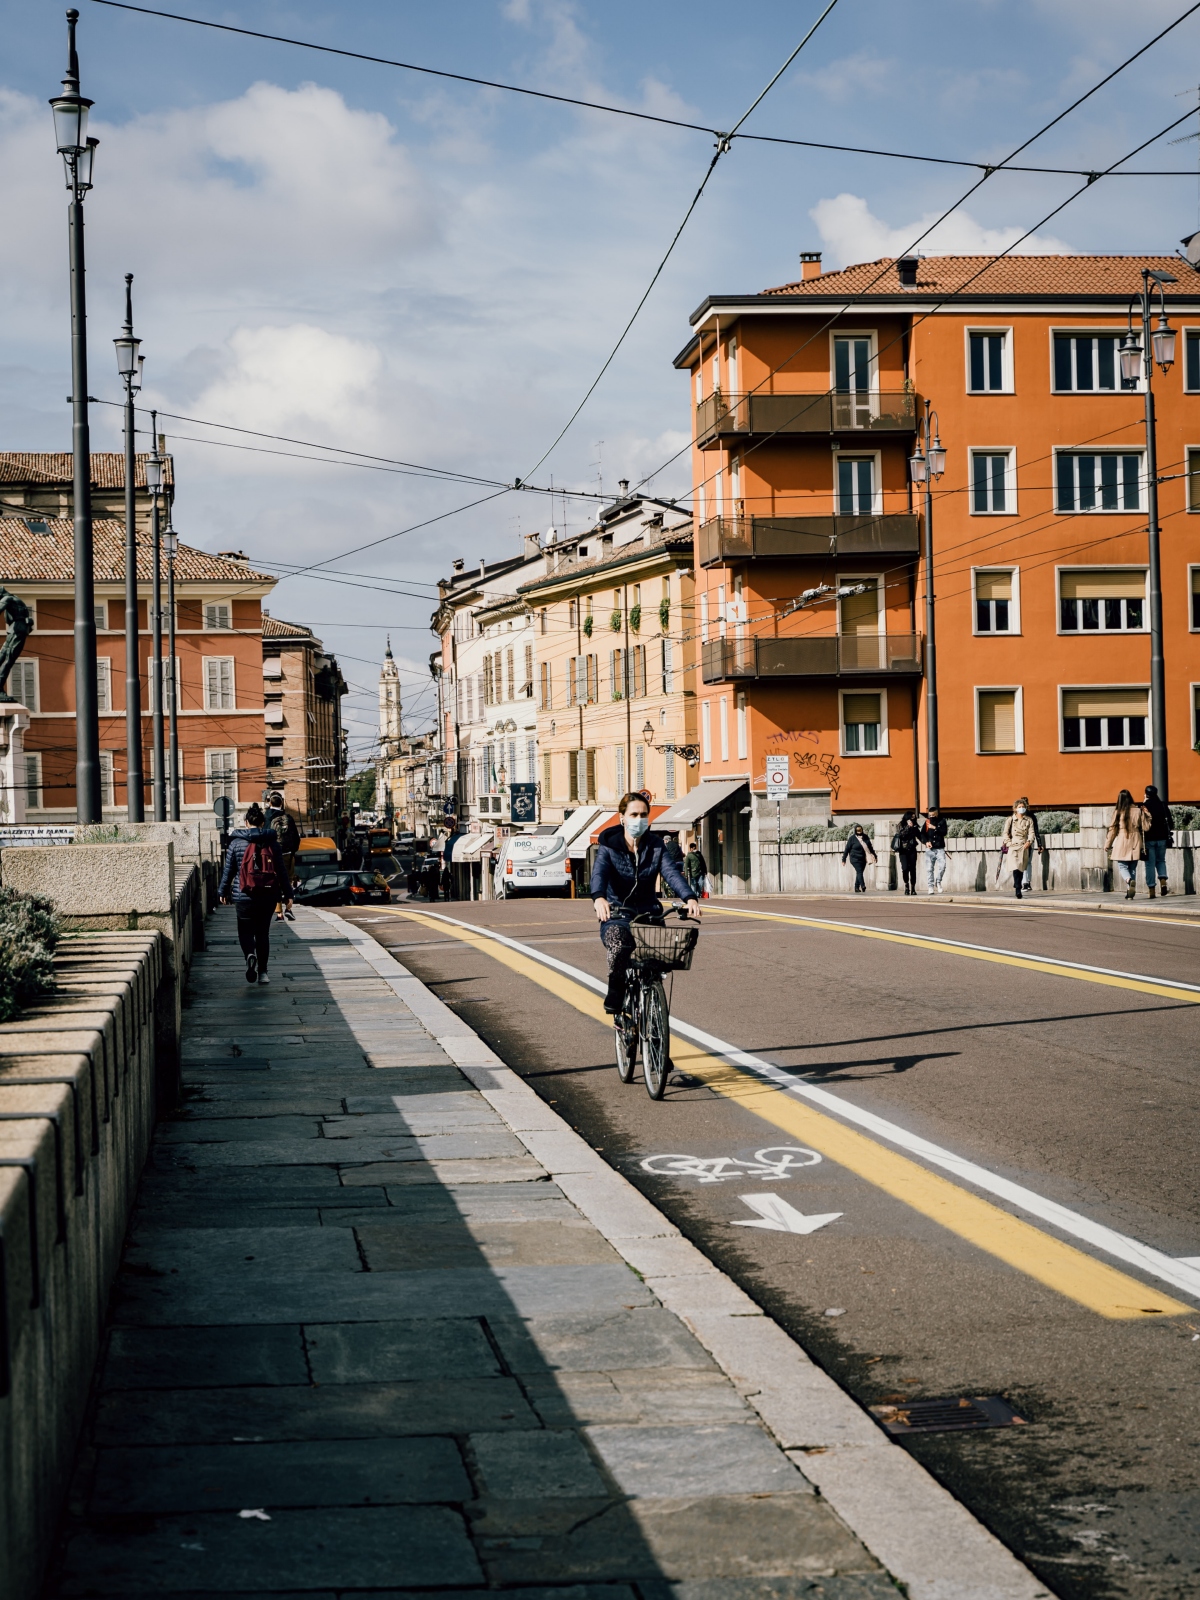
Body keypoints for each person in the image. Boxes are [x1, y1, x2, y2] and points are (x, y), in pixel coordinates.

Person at [591, 792, 700, 1014]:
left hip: (649, 914)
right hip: (617, 914)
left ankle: (652, 1007)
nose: (639, 819)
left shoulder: (656, 845)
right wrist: (599, 897)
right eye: (633, 814)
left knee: (658, 958)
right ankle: (616, 992)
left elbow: (671, 873)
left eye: (643, 815)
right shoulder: (609, 845)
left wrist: (688, 897)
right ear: (622, 817)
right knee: (619, 945)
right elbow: (599, 873)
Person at [219, 802, 290, 986]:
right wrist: (288, 894)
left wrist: (223, 891)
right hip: (268, 896)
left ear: (246, 822)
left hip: (244, 895)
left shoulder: (236, 843)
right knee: (263, 933)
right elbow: (282, 871)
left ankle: (250, 954)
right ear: (262, 823)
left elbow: (229, 871)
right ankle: (263, 973)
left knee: (245, 931)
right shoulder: (273, 843)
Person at [1105, 788, 1148, 900]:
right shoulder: (1138, 811)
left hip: (1123, 840)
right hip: (1136, 840)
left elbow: (1113, 829)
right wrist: (1148, 814)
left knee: (1122, 865)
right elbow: (1146, 827)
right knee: (1132, 867)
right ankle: (1129, 892)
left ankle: (1129, 881)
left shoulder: (1118, 812)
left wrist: (1107, 844)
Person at [265, 792, 300, 923]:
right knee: (288, 882)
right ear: (281, 803)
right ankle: (289, 908)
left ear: (269, 803)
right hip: (287, 855)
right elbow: (296, 838)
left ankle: (279, 913)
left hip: (272, 855)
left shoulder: (266, 817)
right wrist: (292, 852)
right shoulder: (288, 818)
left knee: (275, 883)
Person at [1000, 800, 1038, 900]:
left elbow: (1031, 832)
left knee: (1021, 868)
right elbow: (1005, 833)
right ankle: (1018, 888)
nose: (1021, 808)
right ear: (1015, 808)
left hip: (1023, 846)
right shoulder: (1010, 820)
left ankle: (1017, 884)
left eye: (1023, 806)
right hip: (1013, 846)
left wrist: (1029, 842)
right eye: (1019, 806)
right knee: (1015, 867)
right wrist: (1008, 843)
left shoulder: (1028, 820)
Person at [1142, 785, 1173, 897]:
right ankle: (1163, 879)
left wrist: (1144, 803)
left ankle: (1151, 889)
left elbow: (1142, 824)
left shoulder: (1145, 806)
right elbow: (1170, 822)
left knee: (1149, 864)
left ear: (1146, 794)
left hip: (1149, 839)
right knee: (1161, 860)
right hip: (1162, 838)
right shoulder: (1163, 805)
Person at [1015, 797, 1045, 893]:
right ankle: (1025, 882)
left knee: (1024, 862)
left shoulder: (1030, 817)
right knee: (1026, 862)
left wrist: (1039, 844)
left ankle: (1025, 883)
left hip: (1027, 842)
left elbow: (1035, 831)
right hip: (1021, 842)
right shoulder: (1018, 817)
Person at [918, 806, 948, 895]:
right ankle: (930, 886)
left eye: (933, 815)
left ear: (937, 814)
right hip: (930, 849)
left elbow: (944, 832)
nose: (931, 817)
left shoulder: (942, 821)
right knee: (929, 869)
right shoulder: (927, 821)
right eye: (930, 815)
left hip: (940, 848)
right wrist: (926, 842)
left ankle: (938, 881)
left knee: (942, 866)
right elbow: (922, 834)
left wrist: (935, 827)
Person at [841, 824, 877, 893]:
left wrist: (875, 856)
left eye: (860, 830)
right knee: (859, 871)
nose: (859, 831)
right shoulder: (852, 838)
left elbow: (870, 847)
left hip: (863, 858)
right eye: (857, 830)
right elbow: (847, 849)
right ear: (855, 830)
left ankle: (856, 887)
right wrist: (844, 859)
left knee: (859, 872)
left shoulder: (865, 837)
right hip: (854, 858)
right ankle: (863, 886)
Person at [891, 811, 920, 896]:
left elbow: (919, 835)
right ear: (907, 818)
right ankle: (906, 885)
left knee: (913, 869)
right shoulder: (900, 825)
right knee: (905, 868)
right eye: (911, 817)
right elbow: (901, 835)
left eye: (914, 817)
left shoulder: (915, 826)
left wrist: (926, 842)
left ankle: (913, 888)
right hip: (903, 851)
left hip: (912, 850)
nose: (913, 819)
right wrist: (908, 827)